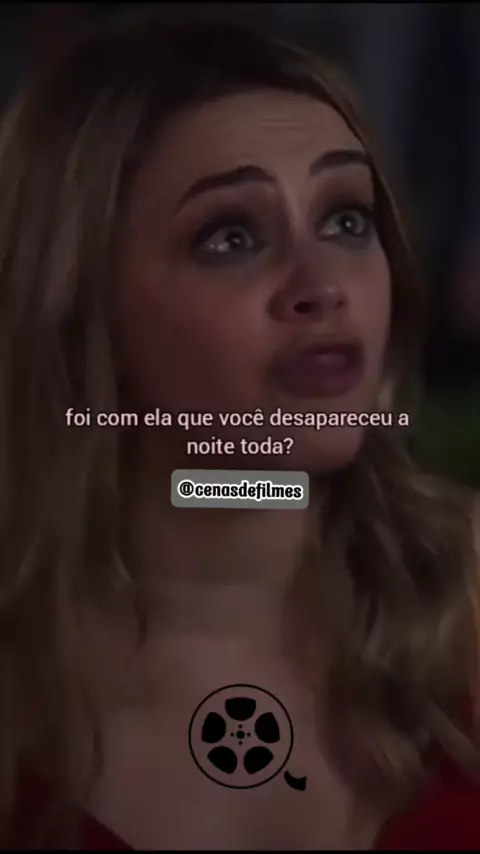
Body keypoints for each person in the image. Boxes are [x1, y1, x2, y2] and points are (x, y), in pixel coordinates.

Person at [0, 13, 479, 851]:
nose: (323, 284)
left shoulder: (465, 595)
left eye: (347, 220)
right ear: (83, 315)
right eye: (231, 237)